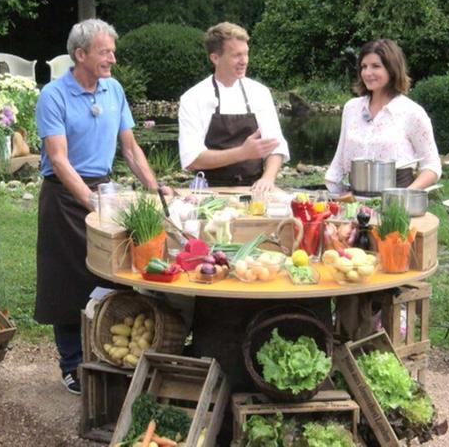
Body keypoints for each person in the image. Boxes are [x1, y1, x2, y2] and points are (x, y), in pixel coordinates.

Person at [34, 19, 172, 395]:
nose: (112, 57)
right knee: (65, 282)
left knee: (113, 275)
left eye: (112, 50)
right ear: (80, 55)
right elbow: (59, 160)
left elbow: (129, 148)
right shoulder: (54, 95)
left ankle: (110, 356)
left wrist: (154, 185)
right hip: (64, 196)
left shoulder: (114, 90)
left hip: (104, 192)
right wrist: (91, 201)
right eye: (104, 51)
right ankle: (71, 365)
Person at [178, 22, 289, 191]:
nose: (244, 61)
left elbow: (276, 146)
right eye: (236, 55)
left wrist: (267, 179)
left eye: (246, 54)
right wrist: (243, 153)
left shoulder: (260, 92)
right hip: (210, 190)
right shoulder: (193, 98)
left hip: (255, 189)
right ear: (215, 58)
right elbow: (192, 159)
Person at [325, 39, 441, 193]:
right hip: (354, 202)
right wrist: (327, 192)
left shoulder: (412, 112)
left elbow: (432, 166)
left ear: (392, 69)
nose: (367, 73)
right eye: (364, 67)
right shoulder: (351, 108)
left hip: (396, 208)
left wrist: (403, 196)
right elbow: (339, 161)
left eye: (376, 66)